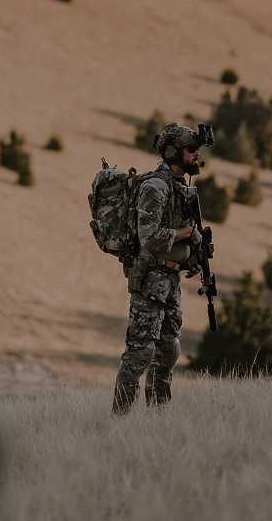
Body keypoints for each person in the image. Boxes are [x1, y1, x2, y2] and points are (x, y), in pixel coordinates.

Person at [112, 123, 205, 414]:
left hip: (170, 279)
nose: (197, 155)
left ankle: (158, 419)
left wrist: (196, 243)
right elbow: (148, 235)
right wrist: (185, 233)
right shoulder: (155, 187)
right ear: (173, 152)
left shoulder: (180, 189)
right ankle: (119, 421)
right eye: (191, 150)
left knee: (168, 351)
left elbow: (179, 233)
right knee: (139, 352)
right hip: (149, 279)